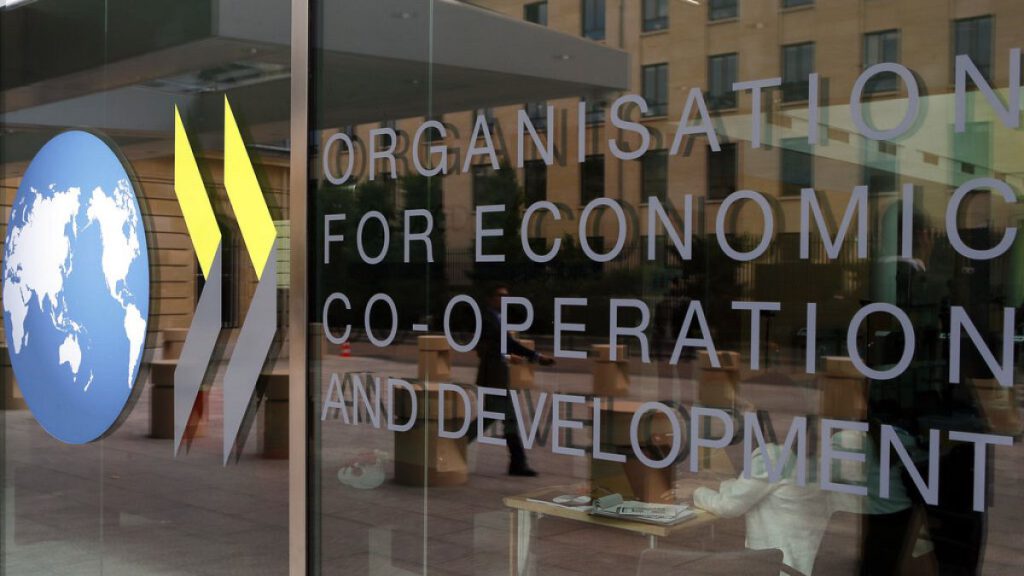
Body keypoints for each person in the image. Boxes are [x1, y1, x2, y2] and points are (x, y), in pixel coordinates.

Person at [467, 284, 555, 476]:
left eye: (507, 296)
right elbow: (486, 348)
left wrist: (536, 357)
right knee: (502, 416)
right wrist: (513, 357)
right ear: (490, 298)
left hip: (497, 375)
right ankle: (455, 443)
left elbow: (507, 344)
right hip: (492, 376)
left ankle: (516, 463)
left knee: (497, 416)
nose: (505, 299)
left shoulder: (498, 318)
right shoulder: (485, 319)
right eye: (501, 295)